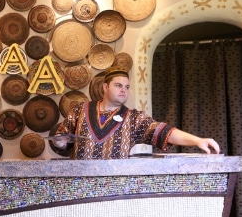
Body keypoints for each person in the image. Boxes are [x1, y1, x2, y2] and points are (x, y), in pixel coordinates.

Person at [52, 66, 220, 159]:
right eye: (118, 85)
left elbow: (164, 131)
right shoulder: (80, 110)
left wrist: (197, 140)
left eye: (126, 87)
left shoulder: (134, 118)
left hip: (115, 188)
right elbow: (63, 141)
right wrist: (60, 142)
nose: (124, 90)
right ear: (105, 87)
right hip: (78, 186)